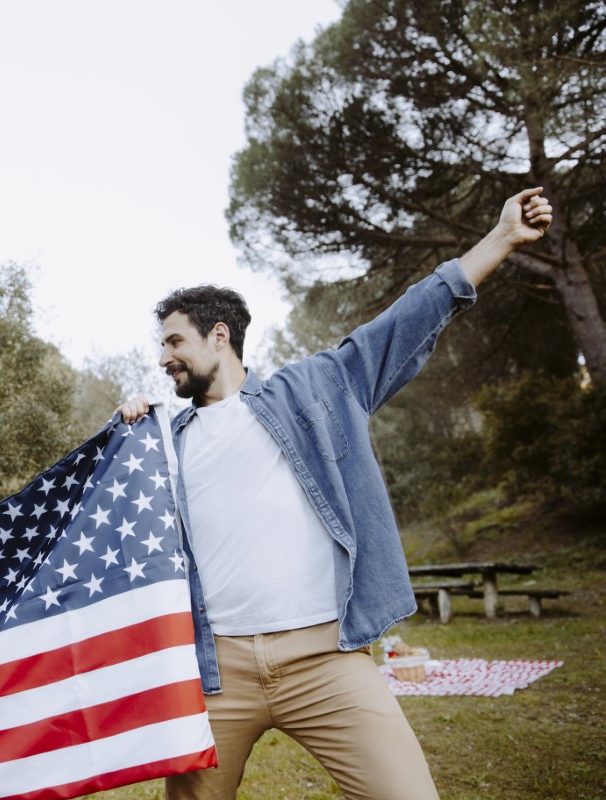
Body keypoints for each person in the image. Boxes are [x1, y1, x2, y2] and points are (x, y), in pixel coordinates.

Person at [117, 188, 553, 800]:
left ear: (219, 336)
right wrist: (127, 430)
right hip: (216, 676)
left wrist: (502, 237)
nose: (163, 358)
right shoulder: (162, 439)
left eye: (174, 342)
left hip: (326, 660)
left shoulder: (316, 389)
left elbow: (411, 318)